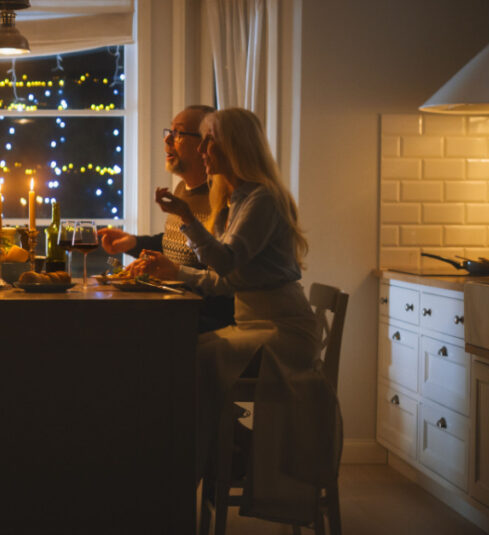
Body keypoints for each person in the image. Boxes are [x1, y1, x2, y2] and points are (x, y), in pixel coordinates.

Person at [151, 107, 327, 518]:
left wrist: (185, 219)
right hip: (255, 324)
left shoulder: (262, 198)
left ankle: (223, 457)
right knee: (185, 363)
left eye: (211, 141)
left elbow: (226, 263)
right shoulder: (236, 198)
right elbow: (228, 282)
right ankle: (225, 454)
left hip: (282, 330)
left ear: (235, 147)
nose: (204, 150)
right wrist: (175, 273)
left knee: (188, 363)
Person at [99, 104, 233, 332]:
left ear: (205, 144)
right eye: (168, 132)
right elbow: (177, 244)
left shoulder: (224, 198)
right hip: (175, 308)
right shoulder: (182, 189)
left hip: (203, 318)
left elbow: (224, 271)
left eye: (178, 133)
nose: (167, 141)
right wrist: (133, 243)